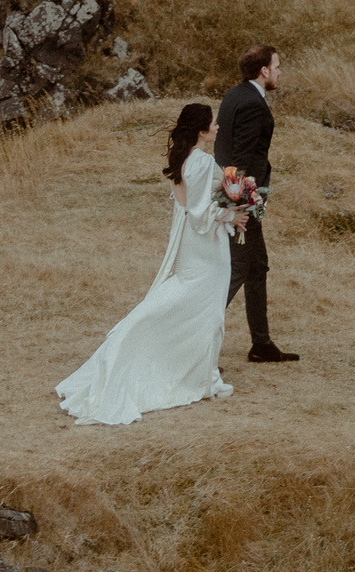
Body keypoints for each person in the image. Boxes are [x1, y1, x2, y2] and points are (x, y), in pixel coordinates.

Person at [55, 104, 240, 425]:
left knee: (198, 305)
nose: (218, 126)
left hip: (192, 243)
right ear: (200, 129)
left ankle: (205, 373)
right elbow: (199, 213)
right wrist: (233, 215)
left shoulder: (187, 159)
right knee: (205, 308)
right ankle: (199, 375)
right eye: (213, 122)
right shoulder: (202, 161)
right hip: (205, 247)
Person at [216, 44, 300, 363]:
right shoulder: (252, 103)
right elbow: (239, 158)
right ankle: (193, 341)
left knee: (256, 266)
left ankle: (261, 343)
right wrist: (243, 204)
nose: (279, 71)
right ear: (263, 71)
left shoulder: (234, 95)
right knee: (237, 269)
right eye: (277, 66)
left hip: (237, 195)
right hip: (242, 200)